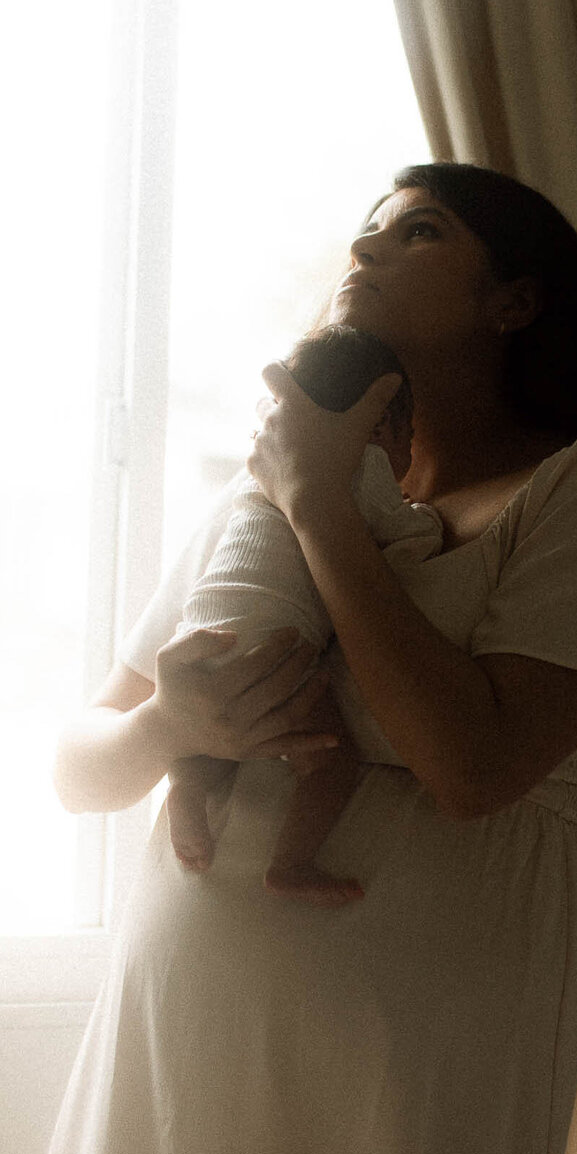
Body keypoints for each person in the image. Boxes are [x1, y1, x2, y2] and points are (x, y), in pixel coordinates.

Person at [21, 162, 577, 1154]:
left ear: (514, 301)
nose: (366, 250)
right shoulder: (266, 498)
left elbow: (472, 766)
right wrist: (167, 727)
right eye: (364, 231)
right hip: (193, 1026)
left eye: (417, 232)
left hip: (416, 1057)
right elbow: (76, 767)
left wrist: (322, 506)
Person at [165, 323, 442, 905]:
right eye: (408, 437)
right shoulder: (347, 468)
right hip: (274, 645)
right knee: (330, 762)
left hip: (201, 634)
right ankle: (292, 862)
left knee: (210, 739)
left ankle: (187, 787)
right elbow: (401, 536)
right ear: (385, 423)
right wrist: (429, 520)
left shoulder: (258, 475)